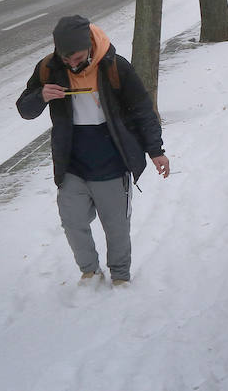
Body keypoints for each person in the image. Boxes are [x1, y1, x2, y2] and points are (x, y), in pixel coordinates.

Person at [16, 15, 170, 286]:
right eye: (67, 60)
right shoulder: (48, 69)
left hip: (112, 161)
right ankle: (89, 271)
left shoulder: (115, 67)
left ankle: (120, 276)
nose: (73, 65)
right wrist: (41, 96)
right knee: (72, 221)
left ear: (89, 45)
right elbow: (24, 109)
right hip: (72, 162)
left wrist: (155, 150)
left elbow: (143, 111)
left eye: (77, 58)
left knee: (116, 226)